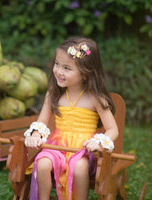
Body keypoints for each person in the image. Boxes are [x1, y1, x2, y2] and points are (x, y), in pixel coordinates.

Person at [24, 36, 118, 200]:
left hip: (82, 150)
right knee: (43, 162)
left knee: (79, 167)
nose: (58, 71)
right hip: (57, 146)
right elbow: (42, 121)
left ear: (86, 73)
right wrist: (35, 135)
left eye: (67, 68)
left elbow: (113, 129)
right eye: (57, 64)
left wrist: (98, 142)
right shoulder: (54, 94)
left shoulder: (95, 98)